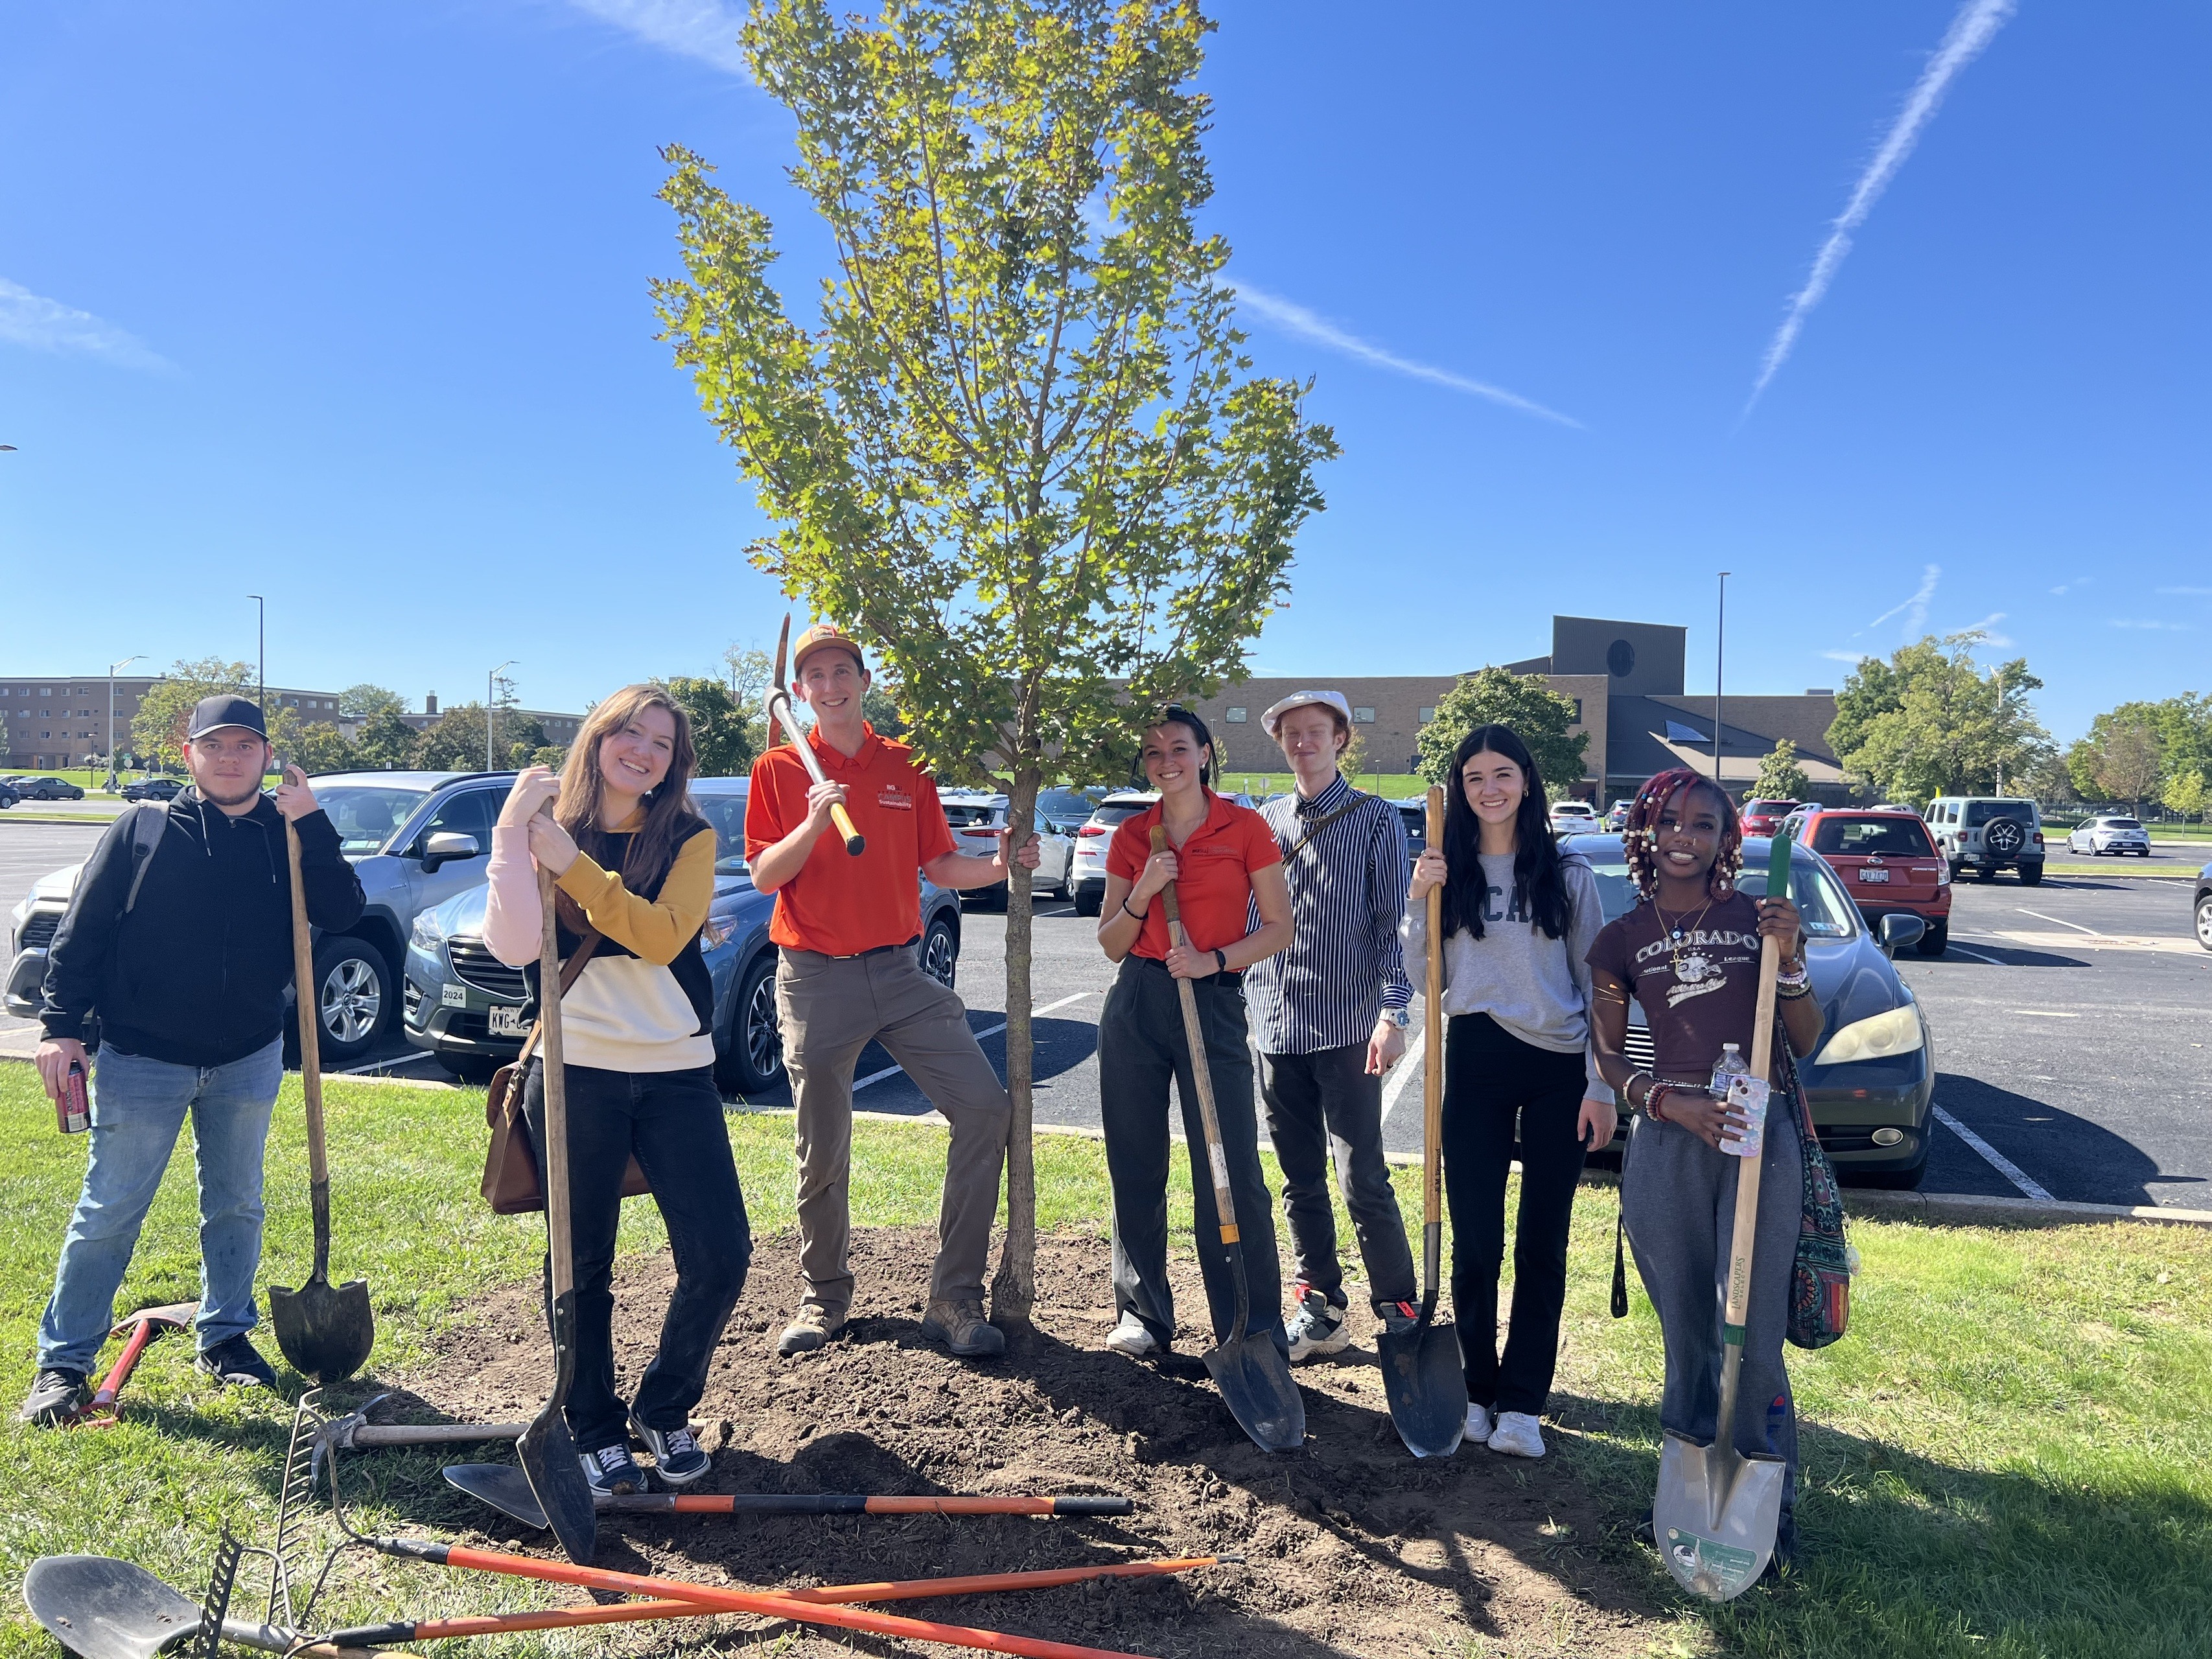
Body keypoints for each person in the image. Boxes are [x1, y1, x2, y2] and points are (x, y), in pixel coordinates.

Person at [21, 697, 366, 1424]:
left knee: (236, 1203)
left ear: (266, 756)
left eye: (246, 745)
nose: (231, 757)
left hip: (247, 1057)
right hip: (142, 1057)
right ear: (189, 755)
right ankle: (64, 1361)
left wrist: (311, 820)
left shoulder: (288, 834)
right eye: (216, 745)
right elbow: (78, 937)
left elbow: (340, 911)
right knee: (110, 1210)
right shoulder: (143, 829)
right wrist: (61, 1029)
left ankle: (228, 1338)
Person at [482, 684, 751, 1494]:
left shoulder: (690, 837)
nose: (642, 750)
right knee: (580, 1260)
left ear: (676, 761)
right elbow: (516, 943)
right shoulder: (545, 824)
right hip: (574, 1070)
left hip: (674, 1070)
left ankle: (663, 1408)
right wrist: (510, 840)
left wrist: (577, 869)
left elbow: (664, 936)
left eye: (661, 742)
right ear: (598, 738)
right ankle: (591, 1424)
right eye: (629, 732)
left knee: (720, 1252)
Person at [744, 624, 1040, 1361]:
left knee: (984, 1108)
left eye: (842, 670)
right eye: (815, 675)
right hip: (814, 976)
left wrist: (1001, 864)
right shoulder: (779, 769)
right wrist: (815, 818)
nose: (830, 683)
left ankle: (953, 1297)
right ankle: (824, 1296)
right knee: (822, 1147)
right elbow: (764, 875)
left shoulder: (906, 765)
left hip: (903, 972)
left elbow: (939, 864)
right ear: (802, 692)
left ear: (863, 680)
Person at [1587, 767, 1823, 1570]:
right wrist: (1663, 1103)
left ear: (1728, 838)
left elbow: (1805, 1036)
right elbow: (1609, 1055)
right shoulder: (1619, 939)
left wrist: (1788, 958)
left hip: (1756, 1136)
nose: (1683, 836)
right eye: (1669, 822)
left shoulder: (1759, 918)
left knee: (1751, 1332)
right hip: (1665, 1139)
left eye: (1703, 824)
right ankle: (1686, 1500)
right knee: (1687, 1333)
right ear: (1644, 831)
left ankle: (1770, 1521)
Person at [1404, 726, 1615, 1457]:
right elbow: (1426, 978)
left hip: (1556, 1063)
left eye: (1501, 774)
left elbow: (1598, 985)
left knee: (1540, 1242)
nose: (1487, 788)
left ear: (1526, 780)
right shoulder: (1445, 870)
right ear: (1458, 790)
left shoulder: (1568, 873)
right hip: (1475, 1057)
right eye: (1472, 778)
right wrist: (1416, 901)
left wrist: (1600, 1083)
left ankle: (1523, 1402)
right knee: (1476, 1241)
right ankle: (1475, 1388)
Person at [1094, 707, 1294, 1358]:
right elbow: (1111, 943)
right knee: (1135, 1162)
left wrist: (1213, 959)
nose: (1164, 760)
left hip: (1208, 1000)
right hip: (1138, 1004)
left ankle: (1249, 1319)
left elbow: (1277, 927)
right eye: (1151, 751)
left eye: (1177, 747)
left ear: (1205, 753)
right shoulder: (1133, 836)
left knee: (1229, 1165)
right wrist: (1145, 890)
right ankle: (1143, 1312)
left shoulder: (1245, 828)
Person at [1240, 690, 1420, 1360]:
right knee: (1297, 1178)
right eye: (1291, 733)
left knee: (1361, 1177)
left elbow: (1389, 927)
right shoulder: (1262, 823)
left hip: (1347, 1025)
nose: (1303, 743)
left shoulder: (1374, 819)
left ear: (1340, 739)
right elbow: (1246, 918)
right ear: (1280, 742)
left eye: (1316, 731)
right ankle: (1319, 1311)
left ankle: (1399, 1310)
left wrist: (1391, 1011)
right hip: (1274, 1024)